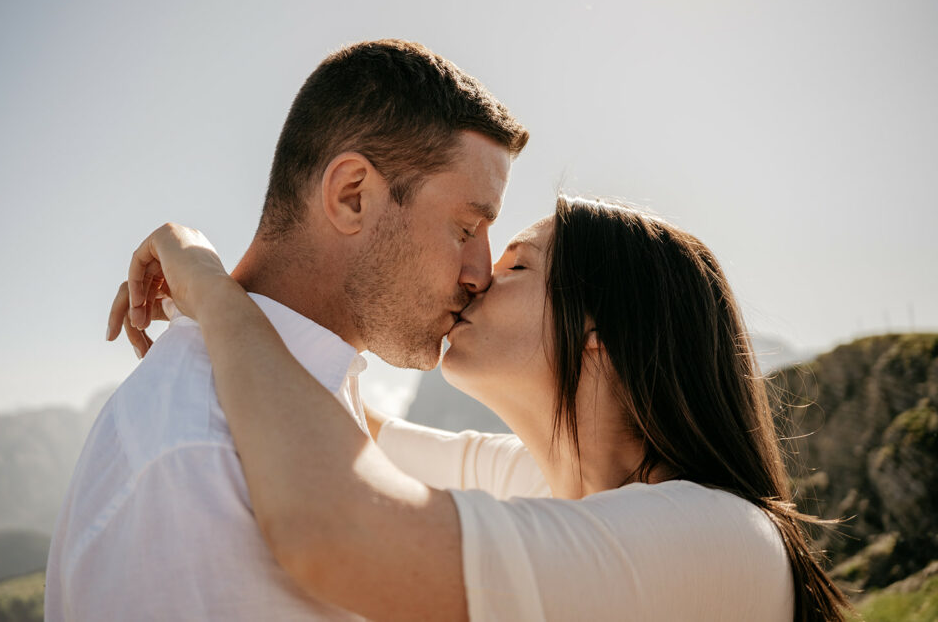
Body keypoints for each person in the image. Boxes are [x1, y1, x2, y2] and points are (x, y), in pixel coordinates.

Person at [109, 197, 852, 621]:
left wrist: (210, 287)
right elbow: (355, 431)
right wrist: (216, 292)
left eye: (515, 267)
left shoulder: (716, 535)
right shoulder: (546, 481)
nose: (472, 280)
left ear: (597, 332)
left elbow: (331, 527)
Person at [44, 39, 529, 620]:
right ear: (352, 196)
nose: (482, 274)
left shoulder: (307, 405)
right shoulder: (199, 459)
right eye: (467, 228)